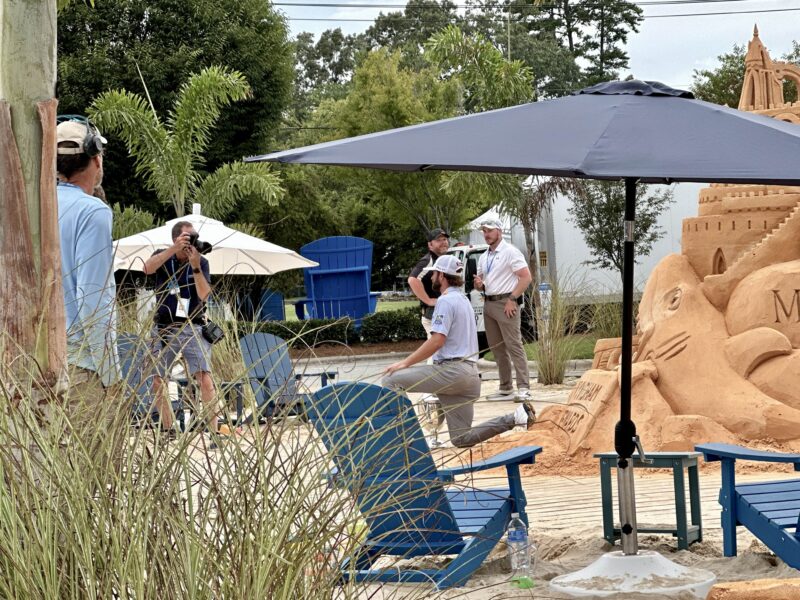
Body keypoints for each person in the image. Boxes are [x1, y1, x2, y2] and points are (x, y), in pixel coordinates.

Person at [383, 255, 535, 448]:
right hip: (470, 376)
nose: (430, 278)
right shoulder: (463, 300)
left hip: (452, 372)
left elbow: (437, 340)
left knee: (391, 380)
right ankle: (515, 417)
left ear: (442, 276)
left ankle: (408, 444)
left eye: (433, 274)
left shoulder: (445, 301)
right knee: (461, 439)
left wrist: (405, 363)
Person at [57, 117, 121, 430]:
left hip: (28, 366)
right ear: (96, 159)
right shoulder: (92, 212)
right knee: (93, 475)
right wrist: (110, 375)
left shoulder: (32, 207)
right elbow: (93, 300)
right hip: (81, 368)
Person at [143, 222, 219, 443]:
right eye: (188, 237)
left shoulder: (201, 261)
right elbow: (147, 268)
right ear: (176, 238)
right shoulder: (163, 256)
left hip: (193, 325)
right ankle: (169, 429)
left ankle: (213, 431)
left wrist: (195, 266)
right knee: (158, 379)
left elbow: (204, 295)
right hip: (164, 326)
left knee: (204, 378)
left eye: (194, 237)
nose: (192, 241)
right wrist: (173, 250)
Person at [473, 219, 533, 402]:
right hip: (489, 303)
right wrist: (479, 285)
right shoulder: (485, 256)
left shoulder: (510, 252)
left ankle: (524, 388)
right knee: (497, 348)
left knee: (514, 345)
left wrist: (512, 299)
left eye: (489, 230)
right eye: (484, 231)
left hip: (506, 302)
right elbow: (481, 284)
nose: (486, 234)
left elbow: (526, 277)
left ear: (499, 231)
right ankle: (505, 387)